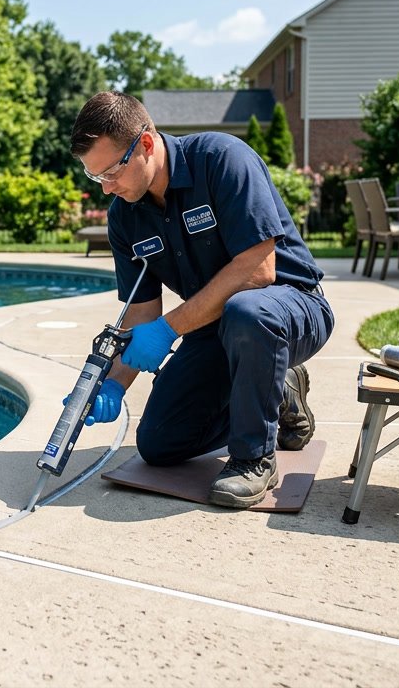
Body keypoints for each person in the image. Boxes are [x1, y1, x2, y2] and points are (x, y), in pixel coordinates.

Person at [68, 91, 334, 508]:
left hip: (288, 307)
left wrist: (170, 329)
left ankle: (254, 459)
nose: (107, 188)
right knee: (160, 443)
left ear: (147, 144)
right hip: (212, 326)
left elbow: (258, 271)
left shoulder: (222, 159)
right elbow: (141, 311)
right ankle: (279, 388)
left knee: (247, 312)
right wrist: (112, 386)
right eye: (95, 177)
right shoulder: (125, 215)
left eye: (112, 172)